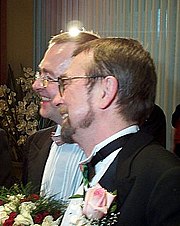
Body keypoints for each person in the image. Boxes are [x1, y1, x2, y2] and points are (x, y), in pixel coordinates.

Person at [55, 38, 180, 225]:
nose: (58, 99)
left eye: (66, 83)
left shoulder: (165, 179)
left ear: (105, 91)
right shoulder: (95, 167)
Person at [23, 31, 100, 201]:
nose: (36, 85)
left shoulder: (124, 158)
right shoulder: (36, 143)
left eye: (48, 77)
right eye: (39, 74)